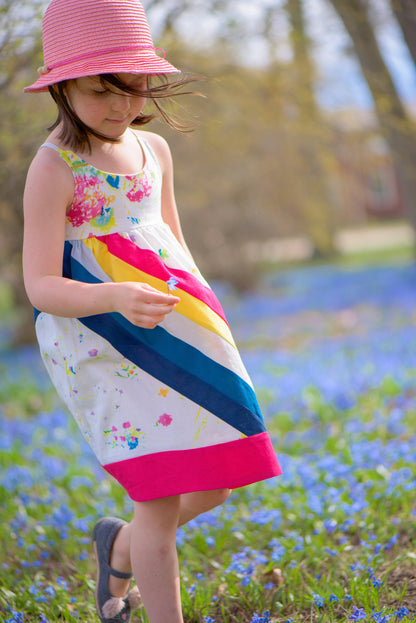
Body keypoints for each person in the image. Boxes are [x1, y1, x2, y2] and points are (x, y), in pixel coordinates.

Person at [22, 1, 282, 622]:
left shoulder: (155, 151)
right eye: (100, 91)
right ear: (62, 86)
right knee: (160, 499)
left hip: (175, 328)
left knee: (215, 480)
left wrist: (208, 321)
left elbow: (173, 244)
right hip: (103, 342)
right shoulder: (55, 167)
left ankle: (117, 546)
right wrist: (110, 296)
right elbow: (39, 284)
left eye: (133, 88)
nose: (120, 106)